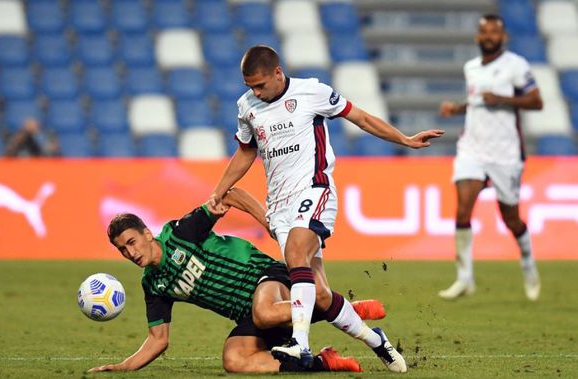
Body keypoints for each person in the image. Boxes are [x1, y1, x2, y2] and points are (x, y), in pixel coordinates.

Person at [209, 45, 444, 370]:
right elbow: (247, 152)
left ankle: (299, 344)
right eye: (250, 86)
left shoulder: (312, 92)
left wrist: (403, 139)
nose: (256, 92)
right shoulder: (246, 107)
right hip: (279, 208)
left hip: (315, 189)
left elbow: (360, 117)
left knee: (295, 255)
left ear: (278, 73)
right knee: (319, 294)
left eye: (260, 85)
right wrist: (219, 191)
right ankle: (376, 340)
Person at [87, 188, 386, 374]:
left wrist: (267, 222)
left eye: (132, 242)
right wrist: (122, 367)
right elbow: (158, 340)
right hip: (253, 315)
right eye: (122, 249)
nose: (130, 252)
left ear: (147, 234)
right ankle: (323, 362)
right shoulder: (153, 284)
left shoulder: (181, 233)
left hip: (267, 278)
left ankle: (335, 306)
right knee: (235, 360)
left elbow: (230, 195)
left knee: (265, 310)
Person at [437, 14, 543, 301]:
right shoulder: (470, 67)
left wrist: (504, 99)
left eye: (494, 32)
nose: (489, 36)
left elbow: (536, 100)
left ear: (503, 37)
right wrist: (456, 108)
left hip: (506, 153)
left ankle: (528, 264)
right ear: (477, 37)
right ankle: (464, 278)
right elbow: (477, 102)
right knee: (462, 211)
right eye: (484, 32)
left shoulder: (516, 65)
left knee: (510, 217)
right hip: (472, 149)